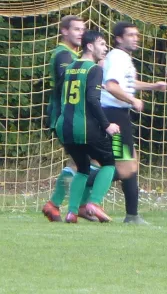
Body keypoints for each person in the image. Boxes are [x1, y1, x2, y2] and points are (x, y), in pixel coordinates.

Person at [101, 21, 167, 224]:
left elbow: (127, 83)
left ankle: (132, 214)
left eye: (136, 35)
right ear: (119, 38)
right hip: (114, 115)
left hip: (120, 115)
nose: (135, 38)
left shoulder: (123, 58)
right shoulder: (117, 58)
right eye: (130, 35)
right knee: (126, 167)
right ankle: (84, 185)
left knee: (130, 164)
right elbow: (111, 86)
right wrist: (132, 100)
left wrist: (152, 86)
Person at [54, 30, 120, 223]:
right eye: (102, 44)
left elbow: (58, 92)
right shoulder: (95, 69)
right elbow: (92, 99)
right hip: (85, 127)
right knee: (108, 162)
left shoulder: (69, 67)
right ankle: (94, 202)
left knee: (83, 167)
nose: (105, 48)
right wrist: (106, 125)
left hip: (64, 126)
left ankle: (72, 212)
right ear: (90, 46)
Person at [42, 15, 95, 222]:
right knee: (82, 162)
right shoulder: (63, 55)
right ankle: (60, 204)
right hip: (65, 116)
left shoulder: (73, 54)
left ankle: (68, 204)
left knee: (87, 161)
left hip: (74, 116)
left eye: (83, 29)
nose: (81, 33)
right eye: (76, 29)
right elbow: (67, 80)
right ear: (64, 31)